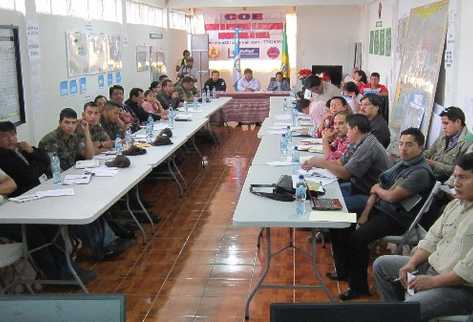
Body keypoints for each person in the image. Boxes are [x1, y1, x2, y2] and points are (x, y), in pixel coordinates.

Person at [331, 128, 435, 301]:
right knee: (339, 220)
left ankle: (358, 287)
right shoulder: (402, 164)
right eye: (401, 144)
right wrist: (367, 209)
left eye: (409, 145)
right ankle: (343, 270)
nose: (403, 148)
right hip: (381, 208)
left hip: (397, 218)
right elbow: (379, 187)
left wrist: (377, 192)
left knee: (358, 237)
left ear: (421, 148)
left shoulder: (420, 173)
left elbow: (391, 196)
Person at [374, 152, 473, 322]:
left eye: (463, 177)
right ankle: (396, 314)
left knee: (410, 307)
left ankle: (401, 314)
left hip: (460, 288)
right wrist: (411, 264)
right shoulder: (456, 204)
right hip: (432, 267)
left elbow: (466, 272)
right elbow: (431, 239)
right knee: (381, 265)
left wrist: (432, 282)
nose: (456, 183)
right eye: (455, 176)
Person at [302, 114, 390, 213]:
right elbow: (340, 163)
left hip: (370, 195)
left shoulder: (368, 146)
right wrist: (315, 163)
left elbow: (345, 174)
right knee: (319, 193)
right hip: (356, 187)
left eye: (348, 130)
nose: (347, 134)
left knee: (322, 206)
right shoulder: (358, 141)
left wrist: (322, 162)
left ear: (355, 129)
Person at [0, 121, 51, 196]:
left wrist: (32, 151)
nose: (10, 139)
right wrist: (42, 164)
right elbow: (29, 176)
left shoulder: (21, 147)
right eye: (5, 136)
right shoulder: (3, 156)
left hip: (42, 185)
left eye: (13, 134)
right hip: (26, 194)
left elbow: (47, 158)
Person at [424, 106, 472, 182]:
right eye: (442, 123)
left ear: (458, 122)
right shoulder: (445, 133)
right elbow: (430, 151)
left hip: (444, 181)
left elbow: (458, 171)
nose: (443, 127)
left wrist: (433, 164)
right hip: (429, 173)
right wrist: (418, 156)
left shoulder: (469, 142)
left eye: (446, 123)